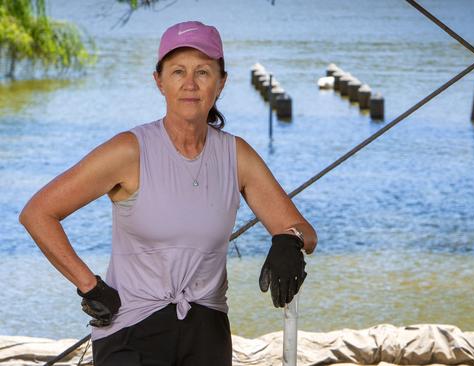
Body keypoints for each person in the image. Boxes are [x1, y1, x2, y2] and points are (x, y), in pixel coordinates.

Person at [18, 20, 317, 366]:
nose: (190, 84)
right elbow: (38, 213)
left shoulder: (237, 156)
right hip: (130, 331)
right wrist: (90, 286)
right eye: (178, 72)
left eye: (203, 72)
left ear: (221, 83)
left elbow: (304, 232)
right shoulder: (129, 151)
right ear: (159, 81)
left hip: (207, 332)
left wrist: (288, 241)